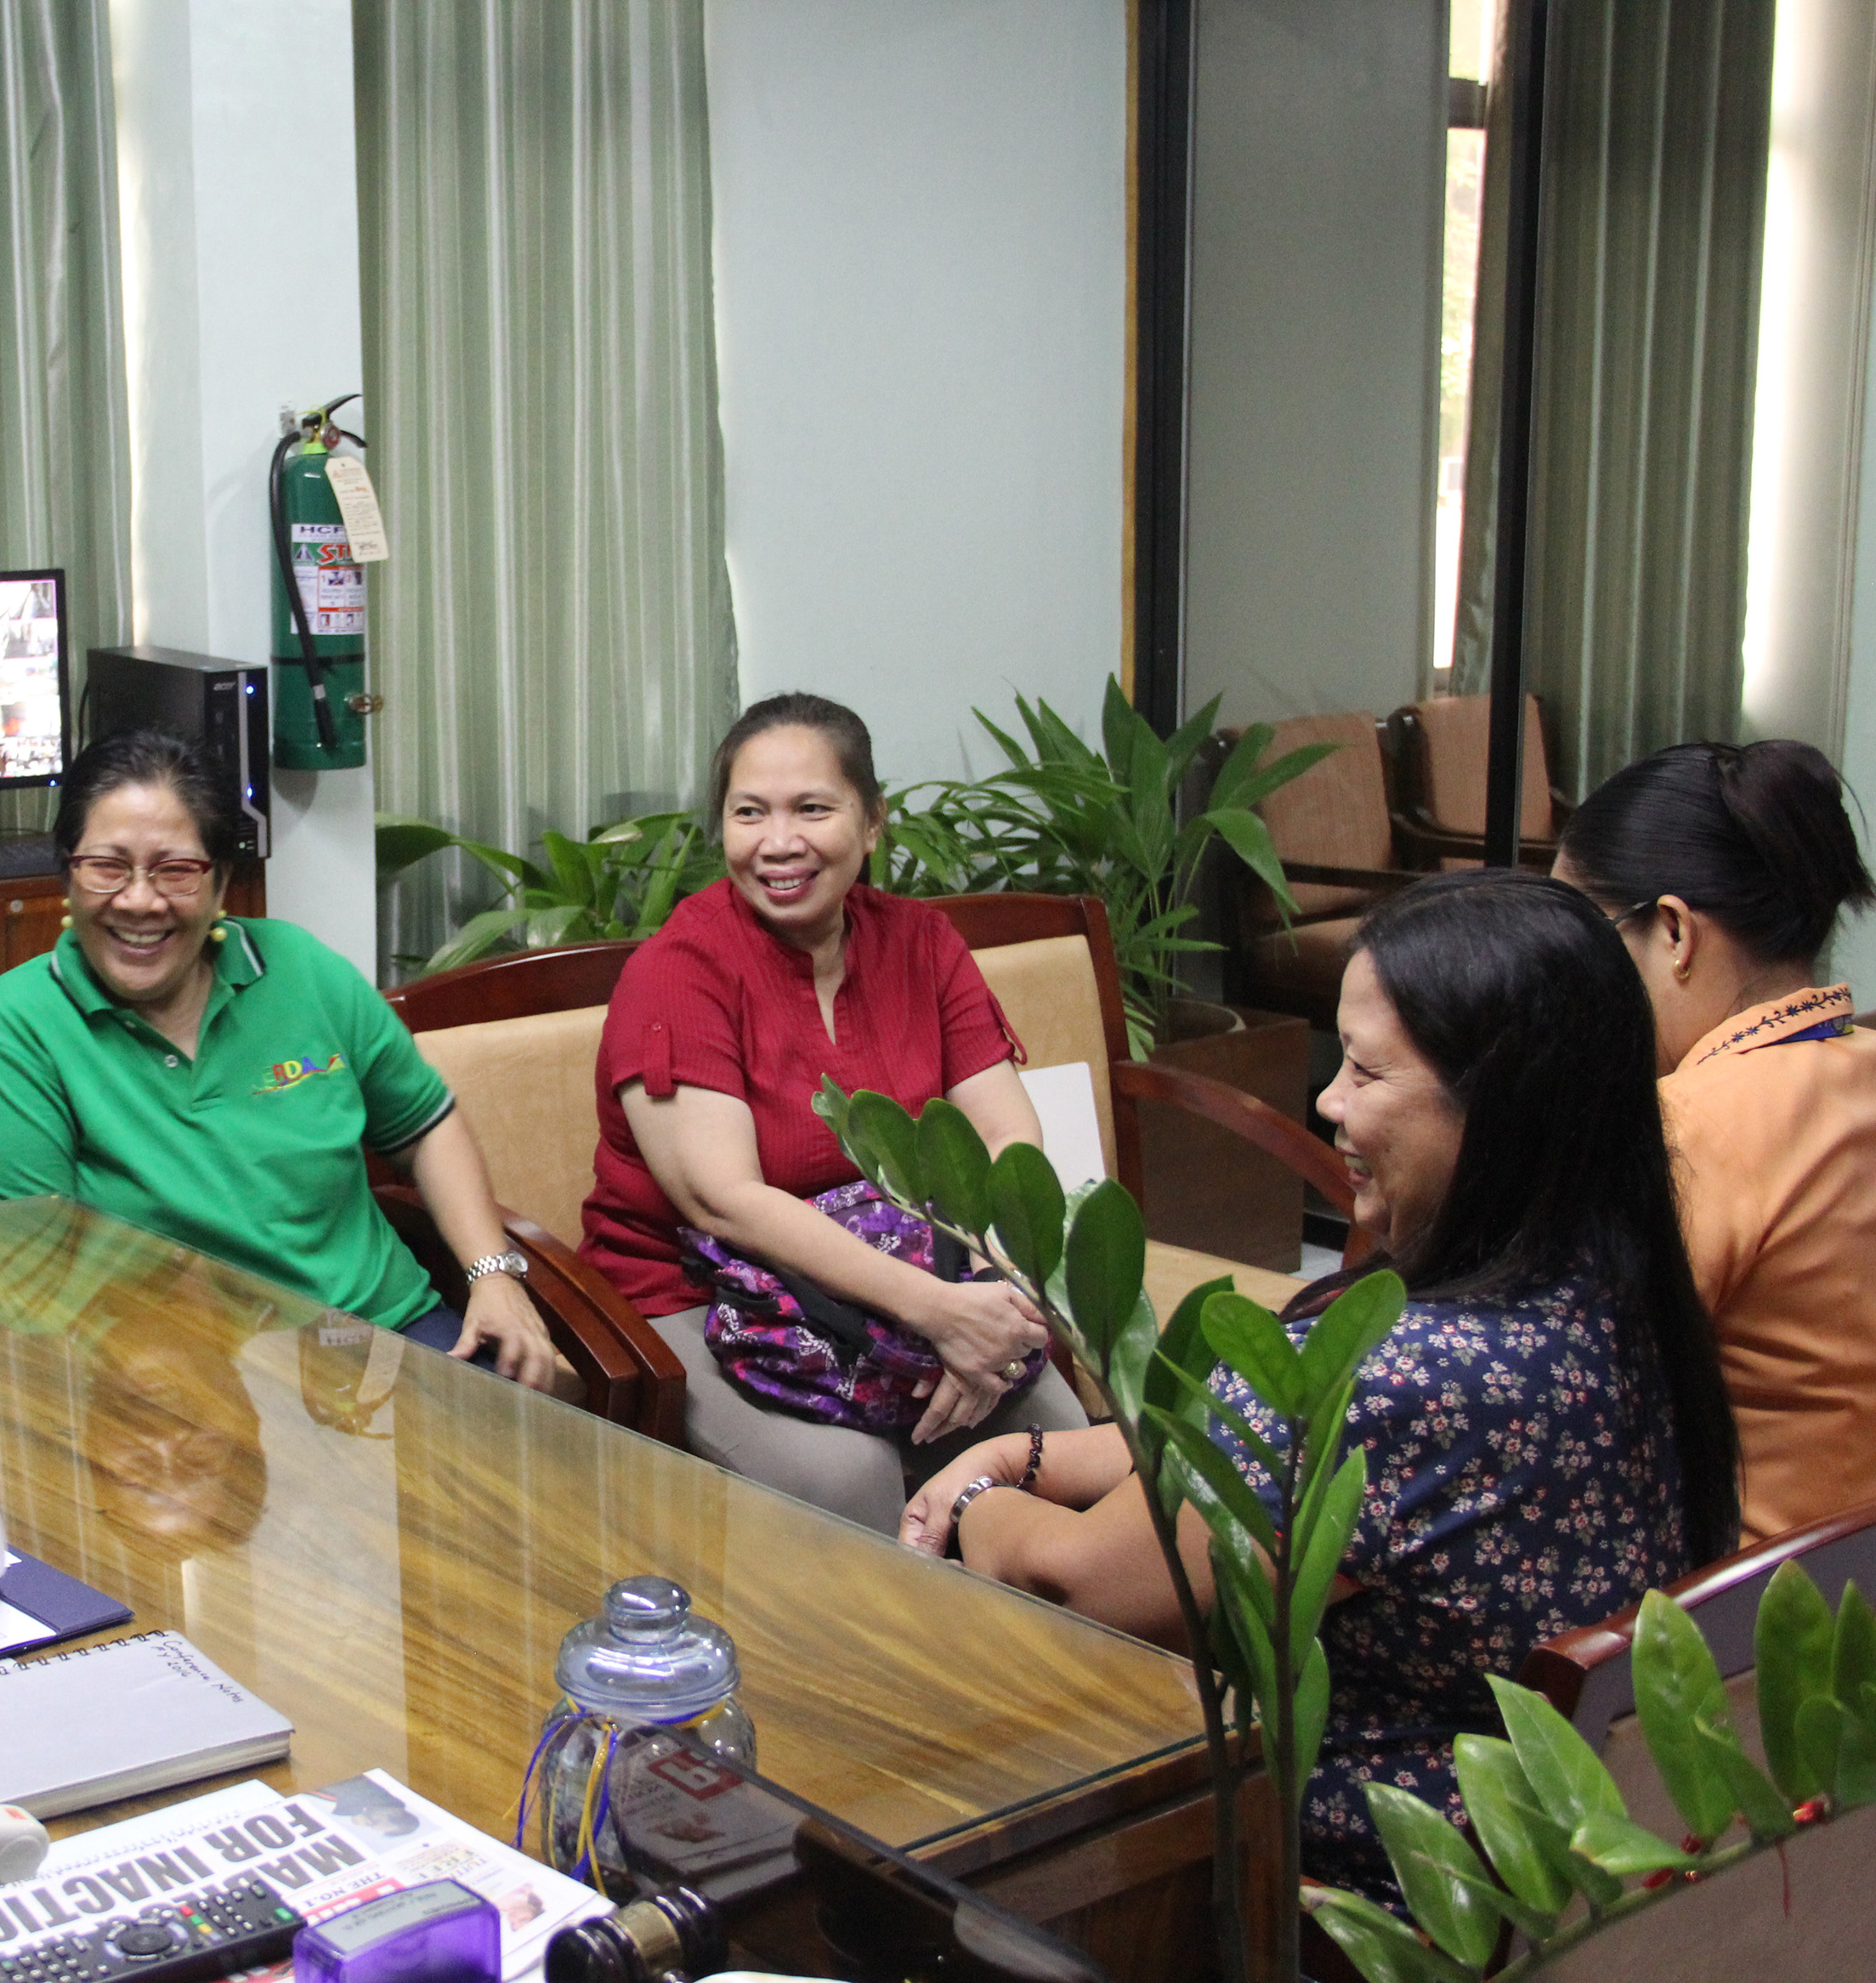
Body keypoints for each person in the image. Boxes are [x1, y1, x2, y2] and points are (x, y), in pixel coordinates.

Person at [902, 872, 1740, 1902]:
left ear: (1500, 1103)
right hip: (1551, 1870)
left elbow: (1075, 1583)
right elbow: (1227, 1442)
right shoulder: (1614, 1295)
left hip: (1336, 1898)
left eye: (1363, 1070)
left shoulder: (1398, 1377)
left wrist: (977, 1505)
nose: (1326, 1102)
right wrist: (1020, 1451)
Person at [577, 693, 1085, 1532]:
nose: (778, 841)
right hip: (700, 1296)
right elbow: (722, 1200)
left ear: (872, 821)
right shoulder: (678, 969)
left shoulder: (922, 942)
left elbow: (1004, 1138)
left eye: (812, 807)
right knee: (848, 1478)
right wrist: (938, 1317)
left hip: (916, 1273)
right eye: (749, 812)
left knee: (1060, 1449)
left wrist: (985, 1300)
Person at [0, 731, 558, 1387]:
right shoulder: (20, 1025)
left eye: (176, 869)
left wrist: (492, 1275)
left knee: (555, 1474)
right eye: (108, 866)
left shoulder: (299, 968)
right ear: (66, 875)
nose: (140, 900)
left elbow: (424, 1126)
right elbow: (27, 1283)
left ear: (222, 885)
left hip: (387, 1337)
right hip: (166, 1376)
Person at [1556, 739, 1876, 1541]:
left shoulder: (1688, 1127)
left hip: (1751, 1622)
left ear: (1673, 932)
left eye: (1581, 938)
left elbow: (1557, 1390)